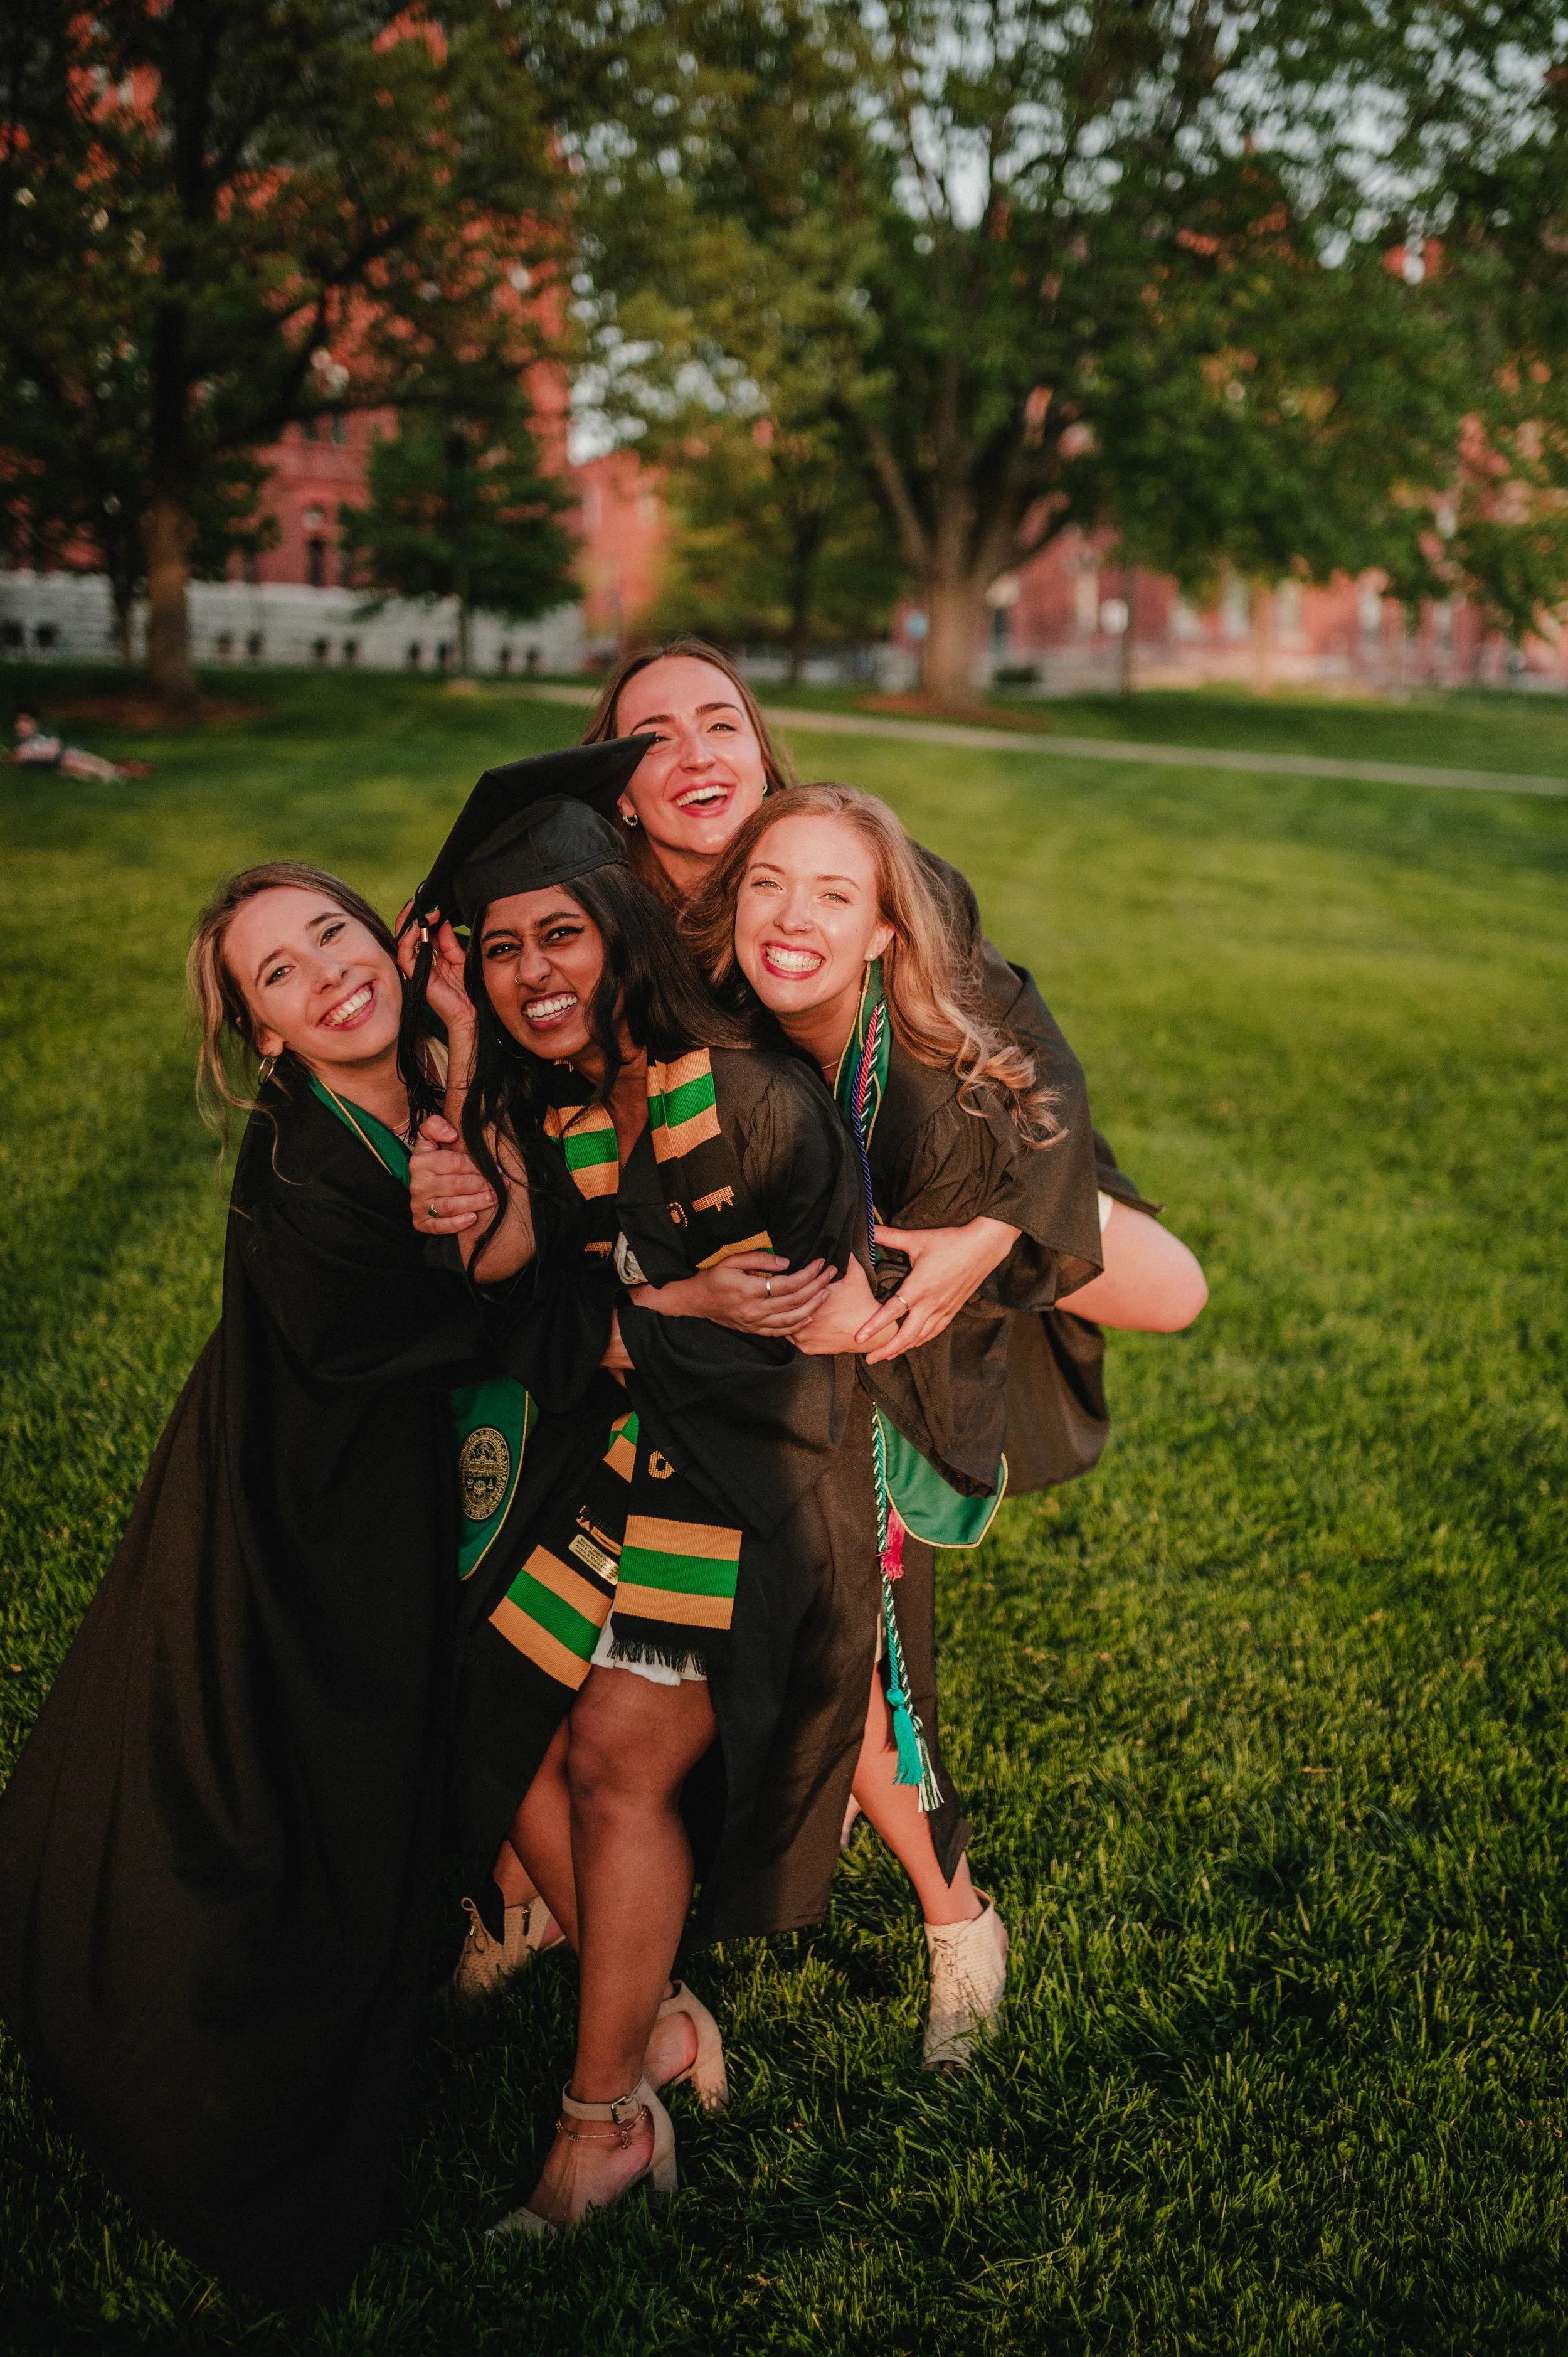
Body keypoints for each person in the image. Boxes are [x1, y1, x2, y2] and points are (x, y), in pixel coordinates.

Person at [0, 854, 542, 2304]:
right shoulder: (302, 1164)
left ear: (380, 929)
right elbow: (442, 1319)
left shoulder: (442, 1056)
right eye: (281, 976)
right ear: (267, 1039)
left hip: (377, 1460)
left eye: (331, 932)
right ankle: (226, 2086)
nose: (327, 973)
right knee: (288, 1780)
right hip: (298, 1498)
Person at [400, 782, 877, 2233]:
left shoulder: (735, 1098)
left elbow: (773, 1346)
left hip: (748, 1486)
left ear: (619, 928)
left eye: (563, 933)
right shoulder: (538, 1102)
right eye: (501, 948)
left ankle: (601, 2123)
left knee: (612, 1756)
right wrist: (655, 1293)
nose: (538, 969)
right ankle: (653, 2006)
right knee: (491, 1708)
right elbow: (515, 1318)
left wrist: (634, 1313)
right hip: (617, 1467)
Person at [12, 706, 139, 781]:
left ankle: (114, 770)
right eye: (20, 722)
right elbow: (20, 760)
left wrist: (33, 755)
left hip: (65, 753)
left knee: (78, 757)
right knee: (71, 763)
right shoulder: (21, 745)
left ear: (35, 722)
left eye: (27, 721)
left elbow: (54, 750)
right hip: (57, 764)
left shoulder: (46, 732)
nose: (23, 725)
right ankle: (108, 776)